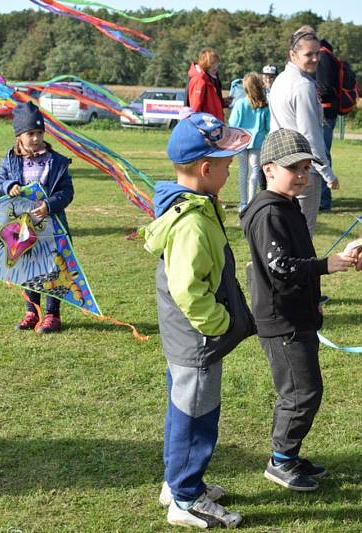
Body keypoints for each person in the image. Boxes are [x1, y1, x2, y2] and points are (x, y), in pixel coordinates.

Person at [143, 111, 255, 529]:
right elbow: (187, 289)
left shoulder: (196, 206)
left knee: (184, 408)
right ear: (206, 169)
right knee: (195, 417)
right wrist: (220, 323)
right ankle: (186, 499)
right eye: (227, 164)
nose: (231, 171)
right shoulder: (190, 222)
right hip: (197, 339)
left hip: (191, 338)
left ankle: (177, 484)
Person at [240, 129, 356, 492]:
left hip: (299, 315)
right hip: (281, 321)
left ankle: (289, 455)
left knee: (305, 389)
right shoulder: (268, 212)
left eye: (307, 168)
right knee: (300, 393)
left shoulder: (287, 205)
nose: (304, 176)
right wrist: (325, 266)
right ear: (269, 169)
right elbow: (281, 266)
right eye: (296, 169)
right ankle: (281, 460)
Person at [0, 102, 74, 335]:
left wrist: (49, 205)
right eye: (31, 134)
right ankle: (32, 310)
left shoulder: (55, 162)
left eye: (39, 133)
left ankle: (52, 314)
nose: (36, 138)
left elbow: (66, 193)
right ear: (19, 136)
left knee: (52, 268)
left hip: (50, 226)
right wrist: (9, 186)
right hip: (22, 227)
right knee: (28, 266)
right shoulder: (11, 160)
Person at [269, 25, 339, 237]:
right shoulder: (302, 86)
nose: (316, 59)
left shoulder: (280, 80)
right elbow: (310, 135)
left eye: (318, 53)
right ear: (293, 54)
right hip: (300, 166)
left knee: (281, 230)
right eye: (309, 54)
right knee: (303, 234)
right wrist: (327, 173)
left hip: (279, 162)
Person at [229, 72, 270, 210]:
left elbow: (233, 123)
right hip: (257, 141)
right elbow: (268, 126)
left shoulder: (240, 104)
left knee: (243, 172)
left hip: (241, 141)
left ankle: (243, 202)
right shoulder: (264, 105)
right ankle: (252, 201)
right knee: (255, 171)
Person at [316, 37, 339, 211]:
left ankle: (323, 200)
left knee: (320, 154)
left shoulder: (323, 57)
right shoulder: (330, 56)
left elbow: (324, 88)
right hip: (329, 112)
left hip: (324, 113)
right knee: (322, 153)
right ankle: (322, 198)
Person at [187, 48, 228, 121]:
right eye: (212, 63)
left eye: (216, 63)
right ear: (205, 63)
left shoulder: (212, 79)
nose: (216, 66)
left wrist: (225, 102)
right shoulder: (199, 80)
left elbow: (211, 102)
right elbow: (195, 106)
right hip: (206, 124)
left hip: (214, 122)